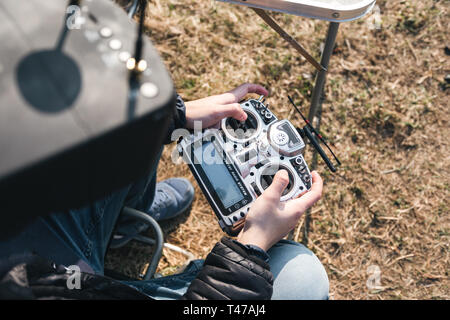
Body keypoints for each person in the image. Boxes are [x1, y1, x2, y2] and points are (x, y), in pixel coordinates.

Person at [0, 83, 328, 300]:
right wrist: (250, 247)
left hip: (25, 261)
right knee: (300, 274)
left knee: (137, 128)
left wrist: (171, 116)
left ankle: (122, 223)